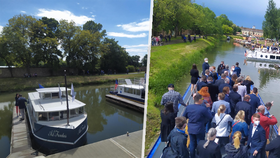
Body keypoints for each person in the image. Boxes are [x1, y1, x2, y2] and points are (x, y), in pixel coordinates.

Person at [183, 93, 212, 158]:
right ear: (199, 100)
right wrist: (208, 108)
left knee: (192, 144)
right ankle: (200, 156)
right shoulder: (203, 109)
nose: (203, 100)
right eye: (202, 99)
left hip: (191, 129)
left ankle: (192, 156)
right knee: (200, 143)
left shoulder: (188, 107)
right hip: (199, 129)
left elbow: (184, 116)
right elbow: (210, 117)